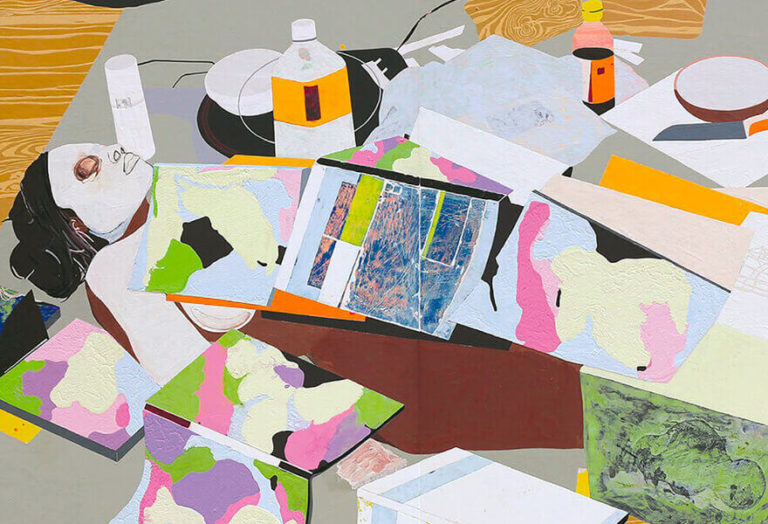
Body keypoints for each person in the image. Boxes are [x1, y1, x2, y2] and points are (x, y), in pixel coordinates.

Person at [7, 144, 228, 384]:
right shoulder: (113, 272)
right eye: (86, 171)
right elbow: (199, 372)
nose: (114, 150)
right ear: (77, 224)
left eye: (100, 148)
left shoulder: (177, 200)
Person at [8, 144, 152, 298]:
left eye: (96, 149)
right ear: (77, 225)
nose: (114, 150)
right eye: (83, 173)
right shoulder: (132, 282)